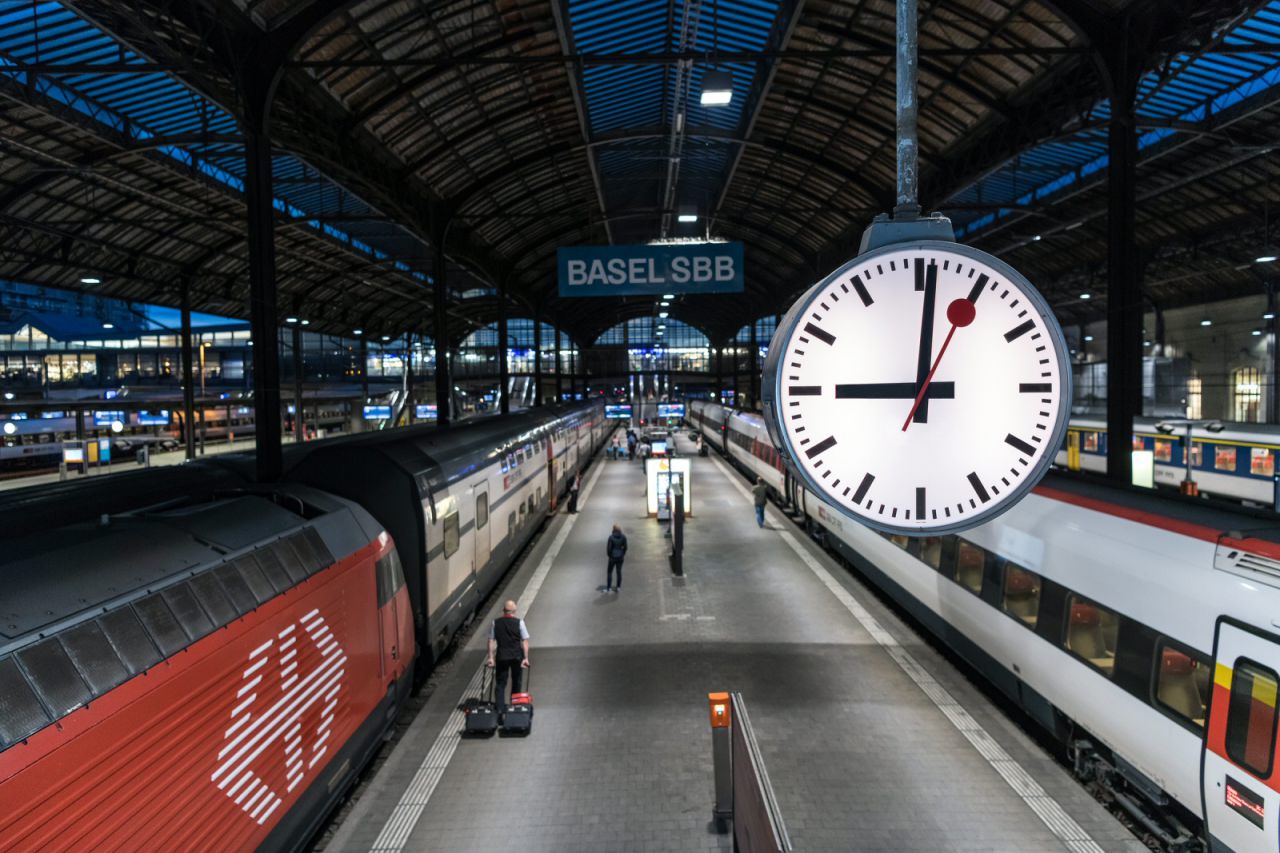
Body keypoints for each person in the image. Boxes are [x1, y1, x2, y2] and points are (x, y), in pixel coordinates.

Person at [486, 600, 530, 704]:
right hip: (516, 657)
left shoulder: (495, 623)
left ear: (503, 611)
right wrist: (525, 658)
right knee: (516, 682)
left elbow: (491, 640)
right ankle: (514, 707)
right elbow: (525, 641)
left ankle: (500, 709)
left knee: (500, 684)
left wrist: (491, 658)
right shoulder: (520, 622)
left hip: (501, 657)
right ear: (514, 611)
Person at [605, 524, 627, 592]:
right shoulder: (623, 537)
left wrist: (610, 555)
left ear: (613, 529)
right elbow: (626, 547)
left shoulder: (611, 537)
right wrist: (622, 553)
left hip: (612, 557)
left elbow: (608, 549)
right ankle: (618, 587)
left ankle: (608, 588)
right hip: (620, 557)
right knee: (619, 572)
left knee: (609, 572)